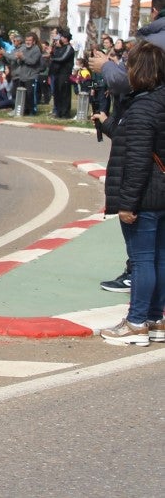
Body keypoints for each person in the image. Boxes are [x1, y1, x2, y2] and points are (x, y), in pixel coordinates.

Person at [96, 41, 165, 344]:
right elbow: (134, 141)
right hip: (160, 194)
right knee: (160, 259)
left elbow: (137, 161)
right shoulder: (156, 102)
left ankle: (137, 322)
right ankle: (156, 318)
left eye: (129, 66)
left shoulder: (142, 107)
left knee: (141, 260)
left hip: (145, 196)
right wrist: (109, 123)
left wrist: (127, 204)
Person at [10, 32, 42, 115]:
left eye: (30, 40)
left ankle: (32, 111)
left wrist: (22, 57)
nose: (27, 42)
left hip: (31, 76)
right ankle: (25, 110)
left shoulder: (36, 50)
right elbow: (19, 62)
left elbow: (33, 62)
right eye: (26, 40)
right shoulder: (24, 49)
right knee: (24, 95)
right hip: (23, 76)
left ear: (34, 41)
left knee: (30, 95)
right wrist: (19, 58)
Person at [48, 29, 76, 119]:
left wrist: (52, 58)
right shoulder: (60, 48)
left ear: (66, 39)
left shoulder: (69, 48)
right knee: (57, 94)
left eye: (62, 37)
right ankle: (58, 112)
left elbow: (62, 58)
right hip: (57, 74)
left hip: (64, 75)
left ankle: (65, 113)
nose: (60, 39)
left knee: (64, 94)